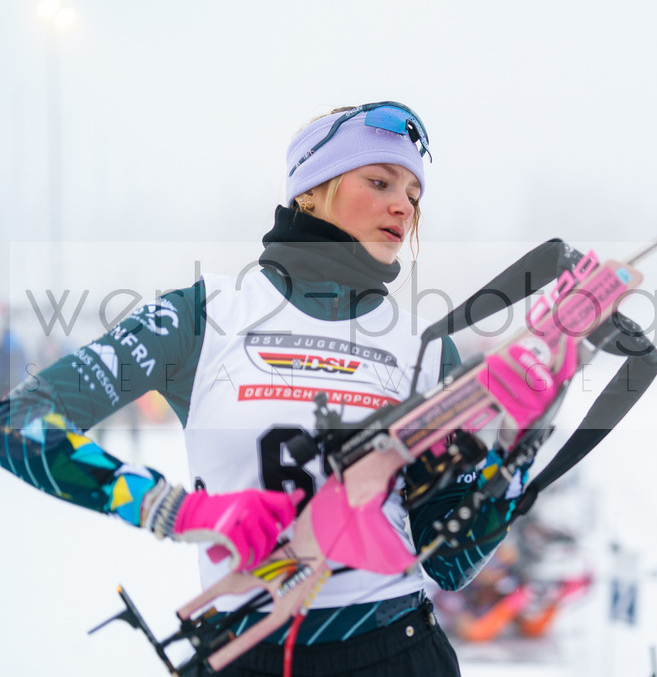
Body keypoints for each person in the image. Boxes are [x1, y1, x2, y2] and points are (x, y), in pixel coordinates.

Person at [0, 102, 566, 677]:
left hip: (399, 652)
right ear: (311, 190)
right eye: (379, 180)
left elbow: (448, 560)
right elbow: (16, 423)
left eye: (414, 196)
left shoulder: (425, 343)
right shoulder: (204, 314)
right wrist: (178, 509)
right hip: (245, 651)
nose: (404, 205)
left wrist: (519, 448)